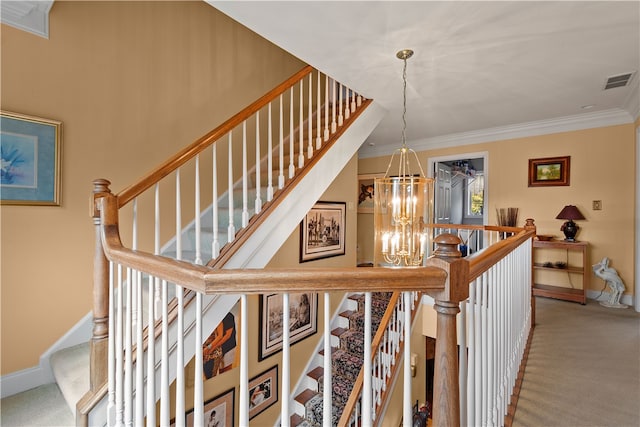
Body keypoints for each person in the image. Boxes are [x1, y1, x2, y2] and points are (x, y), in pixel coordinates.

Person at [203, 312, 237, 379]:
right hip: (219, 348)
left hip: (228, 347)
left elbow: (227, 336)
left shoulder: (229, 316)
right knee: (218, 370)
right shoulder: (216, 316)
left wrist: (212, 348)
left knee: (226, 371)